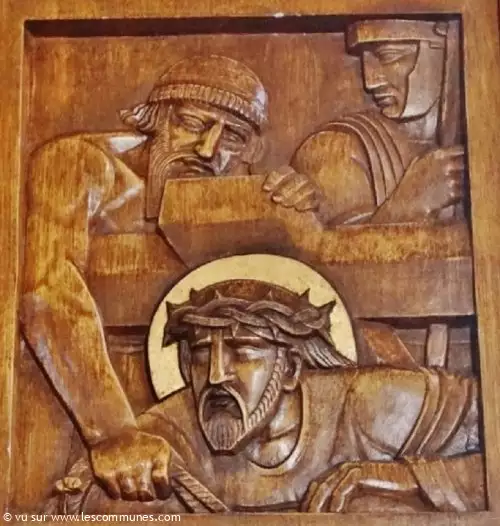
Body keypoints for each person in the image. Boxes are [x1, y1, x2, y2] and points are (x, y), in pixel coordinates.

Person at [20, 55, 269, 502]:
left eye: (232, 136)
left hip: (188, 404)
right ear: (154, 119)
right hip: (77, 400)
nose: (208, 150)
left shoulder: (230, 193)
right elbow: (49, 287)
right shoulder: (79, 163)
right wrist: (113, 432)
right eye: (192, 123)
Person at [52, 280, 484, 514]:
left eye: (243, 353)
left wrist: (399, 480)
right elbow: (73, 499)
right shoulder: (169, 435)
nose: (216, 375)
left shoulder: (375, 404)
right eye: (200, 355)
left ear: (292, 369)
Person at [264, 19, 465, 225]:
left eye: (389, 56)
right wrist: (408, 205)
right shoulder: (336, 150)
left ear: (445, 51)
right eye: (363, 61)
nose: (371, 82)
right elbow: (331, 245)